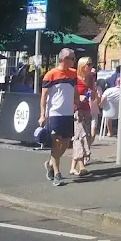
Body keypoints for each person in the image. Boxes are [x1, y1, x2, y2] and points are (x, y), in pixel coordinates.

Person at [39, 48, 78, 187]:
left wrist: (78, 103)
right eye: (72, 59)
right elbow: (43, 96)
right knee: (56, 144)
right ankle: (57, 173)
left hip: (68, 113)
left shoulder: (74, 74)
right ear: (63, 59)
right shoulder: (51, 75)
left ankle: (50, 164)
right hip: (55, 113)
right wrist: (42, 115)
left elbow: (75, 92)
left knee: (66, 144)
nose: (74, 61)